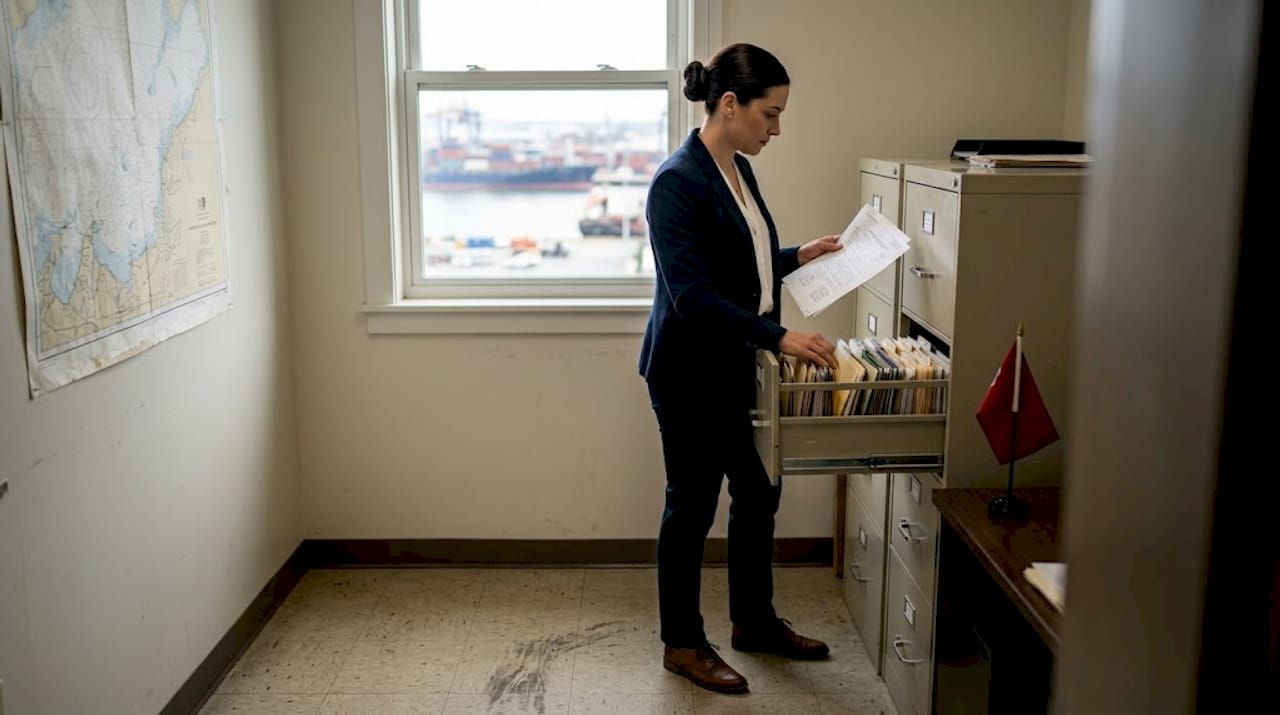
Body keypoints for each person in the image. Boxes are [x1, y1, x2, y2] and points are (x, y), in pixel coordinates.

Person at [638, 42, 843, 694]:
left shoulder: (736, 167)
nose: (776, 130)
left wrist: (795, 255)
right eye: (770, 114)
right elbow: (693, 297)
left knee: (758, 493)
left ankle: (753, 620)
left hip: (737, 367)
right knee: (691, 506)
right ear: (729, 104)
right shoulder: (677, 182)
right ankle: (682, 641)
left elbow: (741, 264)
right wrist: (781, 336)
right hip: (690, 373)